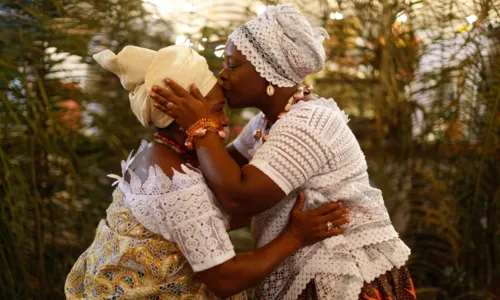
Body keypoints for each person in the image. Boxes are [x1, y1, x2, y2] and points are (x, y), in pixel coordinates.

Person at [151, 3, 415, 300]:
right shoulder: (267, 122)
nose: (222, 76)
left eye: (233, 65)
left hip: (344, 275)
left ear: (269, 72)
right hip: (303, 267)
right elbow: (219, 172)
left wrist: (200, 126)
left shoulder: (310, 123)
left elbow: (239, 196)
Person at [64, 45, 349, 299]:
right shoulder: (174, 181)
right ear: (180, 117)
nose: (224, 119)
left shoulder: (162, 154)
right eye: (216, 110)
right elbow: (225, 279)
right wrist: (296, 236)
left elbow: (218, 193)